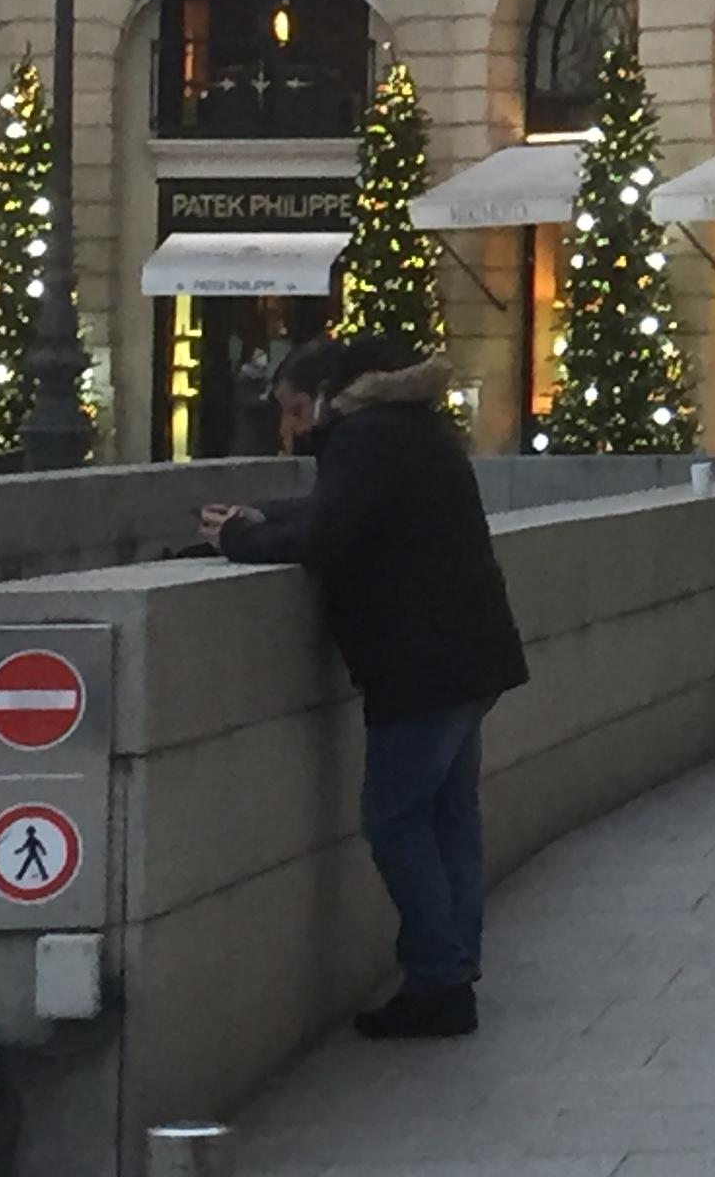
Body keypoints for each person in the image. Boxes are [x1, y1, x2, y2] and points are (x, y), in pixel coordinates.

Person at [198, 336, 527, 1043]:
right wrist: (262, 516)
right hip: (471, 658)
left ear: (322, 394)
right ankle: (455, 967)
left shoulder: (366, 438)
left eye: (293, 411)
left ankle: (438, 978)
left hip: (420, 664)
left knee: (394, 819)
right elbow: (338, 508)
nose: (293, 428)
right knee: (450, 817)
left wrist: (234, 543)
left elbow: (327, 531)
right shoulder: (406, 427)